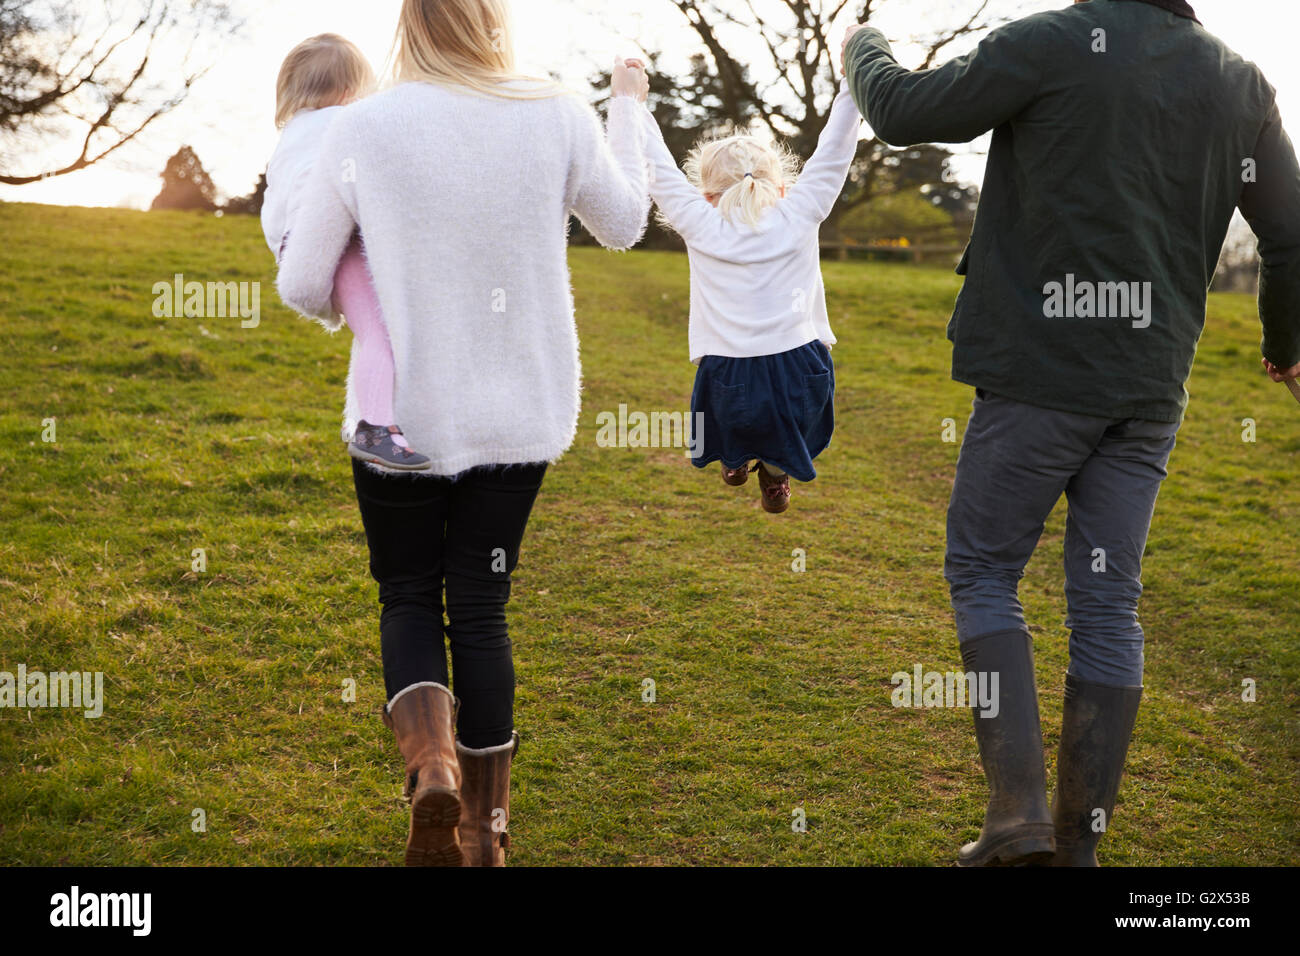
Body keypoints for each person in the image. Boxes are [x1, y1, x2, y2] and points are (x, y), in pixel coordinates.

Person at [843, 0, 1300, 865]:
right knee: (1107, 602)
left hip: (1037, 376)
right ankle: (1078, 847)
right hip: (1151, 389)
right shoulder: (1241, 82)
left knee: (983, 567)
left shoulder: (1049, 41)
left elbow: (900, 111)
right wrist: (1286, 345)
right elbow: (1291, 232)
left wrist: (863, 45)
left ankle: (1017, 818)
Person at [276, 0, 653, 866]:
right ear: (493, 22)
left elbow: (302, 283)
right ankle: (486, 832)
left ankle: (432, 761)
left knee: (408, 593)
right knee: (482, 609)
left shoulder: (363, 126)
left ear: (409, 28)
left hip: (399, 416)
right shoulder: (558, 113)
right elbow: (626, 223)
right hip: (519, 414)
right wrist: (626, 103)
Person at [639, 82, 861, 513]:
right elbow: (835, 152)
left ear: (706, 196)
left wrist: (633, 105)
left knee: (733, 421)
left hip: (728, 365)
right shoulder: (800, 210)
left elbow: (657, 168)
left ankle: (735, 459)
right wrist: (851, 83)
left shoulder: (700, 222)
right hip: (800, 360)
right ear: (780, 187)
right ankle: (775, 477)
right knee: (790, 430)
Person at [263, 34, 432, 471]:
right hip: (333, 236)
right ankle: (375, 426)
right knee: (381, 332)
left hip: (297, 240)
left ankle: (379, 422)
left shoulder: (292, 134)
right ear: (349, 90)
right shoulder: (347, 124)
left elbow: (276, 206)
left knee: (371, 331)